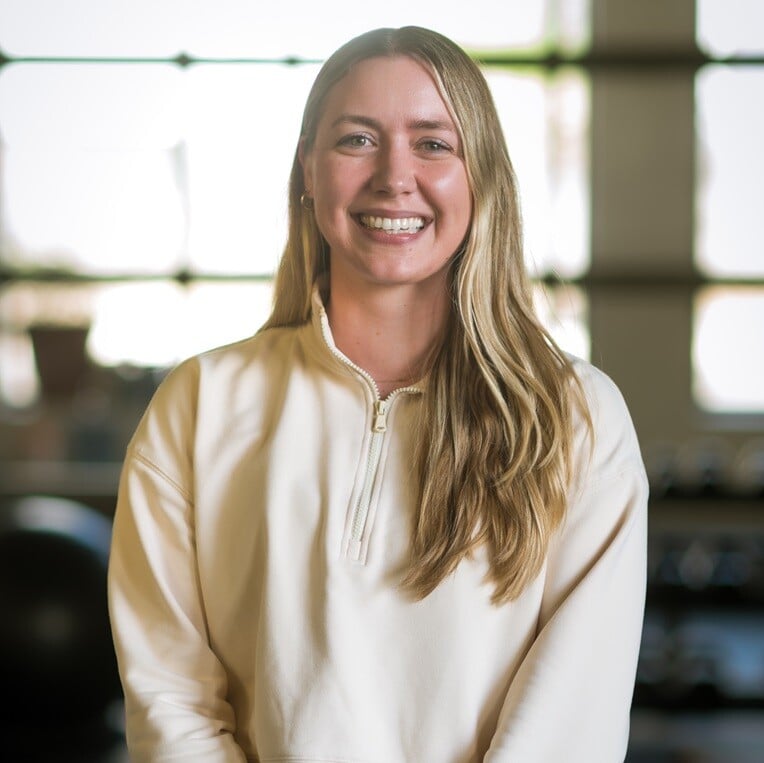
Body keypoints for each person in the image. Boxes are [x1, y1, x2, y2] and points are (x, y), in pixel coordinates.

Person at [108, 26, 648, 763]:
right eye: (357, 139)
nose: (395, 176)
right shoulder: (199, 405)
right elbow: (170, 696)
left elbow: (570, 723)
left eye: (433, 144)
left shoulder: (577, 418)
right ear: (308, 169)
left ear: (479, 175)